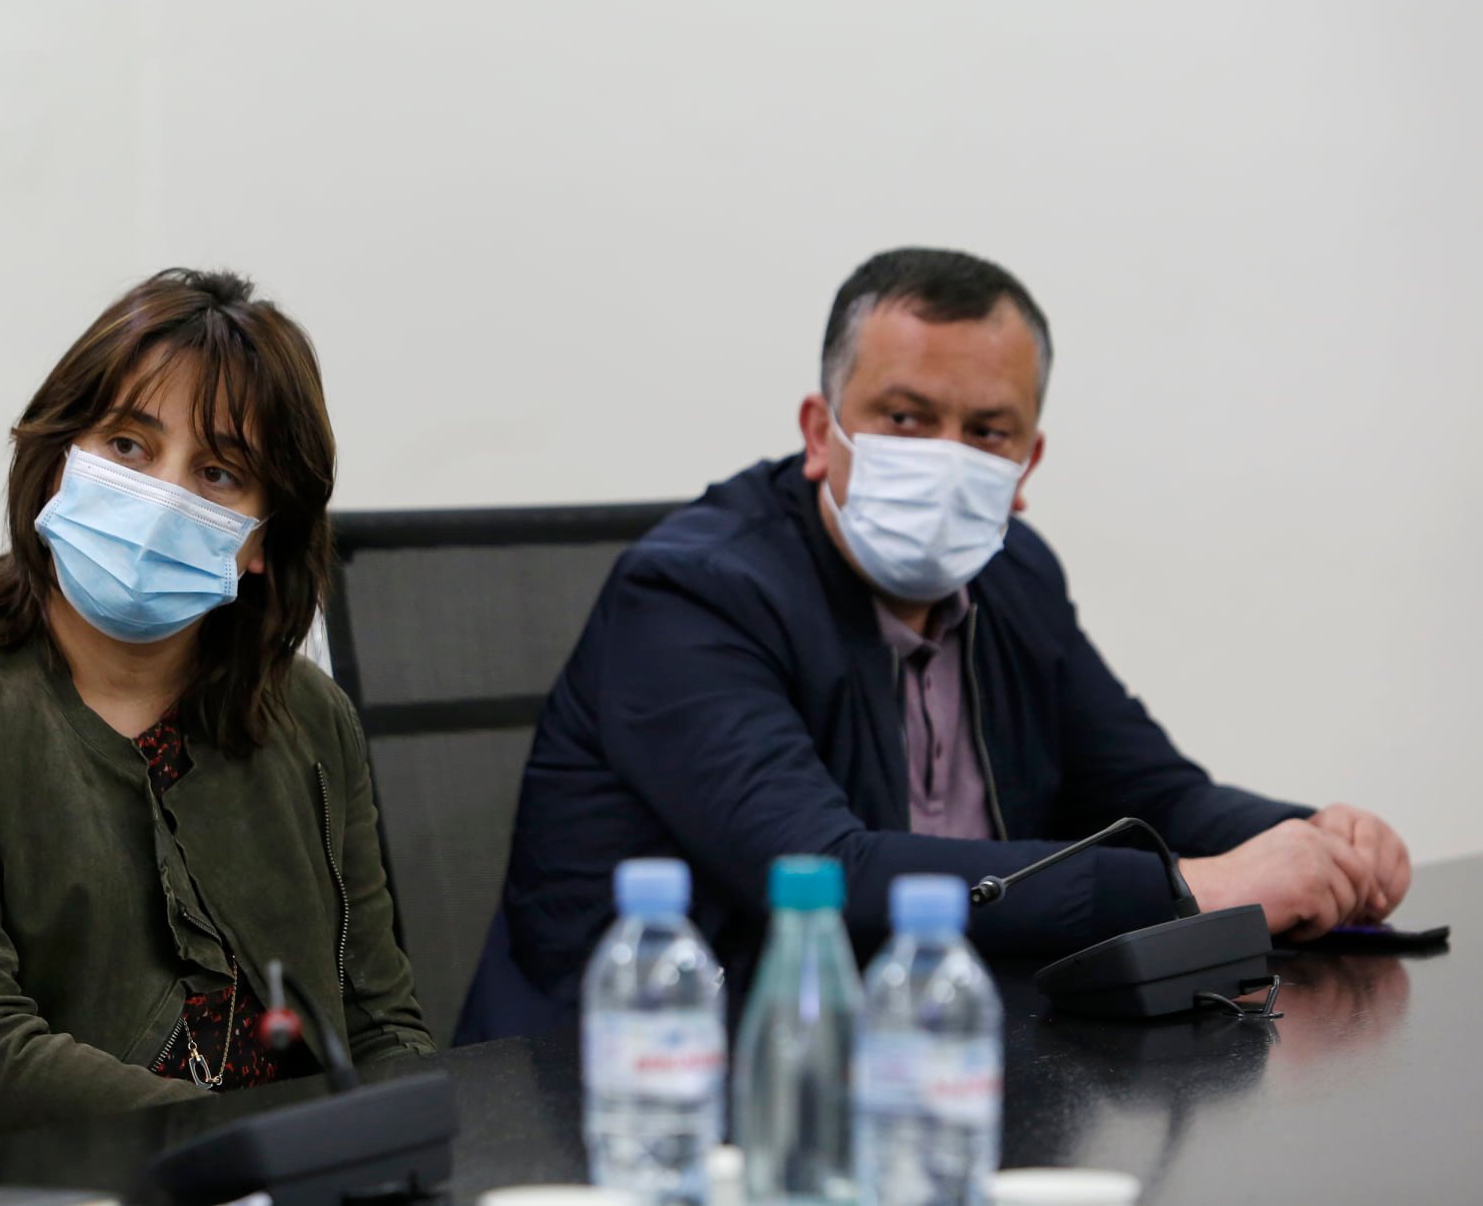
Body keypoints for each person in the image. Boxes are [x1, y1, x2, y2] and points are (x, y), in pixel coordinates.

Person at [456, 246, 1410, 1041]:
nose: (947, 459)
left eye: (987, 432)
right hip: (642, 1081)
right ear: (821, 432)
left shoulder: (1014, 575)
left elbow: (1154, 796)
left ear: (1027, 464)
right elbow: (824, 873)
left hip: (935, 1051)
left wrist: (1315, 842)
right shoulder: (691, 596)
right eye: (906, 418)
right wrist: (1189, 889)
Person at [0, 269, 430, 1170]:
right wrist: (262, 1149)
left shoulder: (308, 719)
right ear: (59, 458)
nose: (161, 495)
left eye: (218, 474)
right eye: (128, 444)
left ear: (264, 540)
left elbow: (380, 1024)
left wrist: (400, 1152)